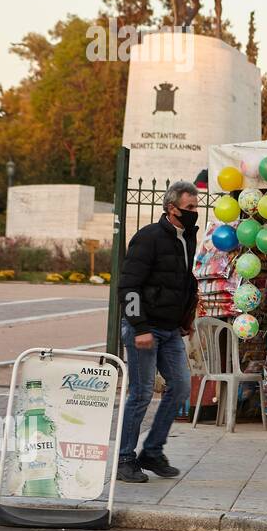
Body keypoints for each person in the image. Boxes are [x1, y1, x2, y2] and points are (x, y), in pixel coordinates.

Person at [116, 180, 199, 482]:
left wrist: (185, 316)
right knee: (140, 394)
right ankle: (124, 459)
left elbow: (184, 281)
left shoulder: (187, 236)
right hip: (145, 328)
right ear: (171, 208)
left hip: (170, 329)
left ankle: (151, 451)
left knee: (179, 387)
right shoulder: (148, 238)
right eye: (190, 207)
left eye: (196, 207)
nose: (195, 212)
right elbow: (128, 286)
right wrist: (138, 327)